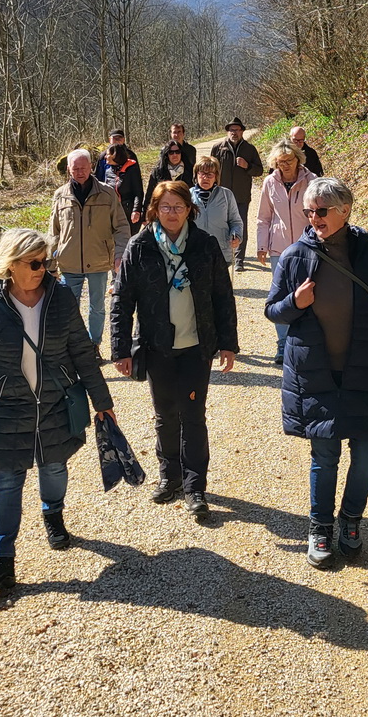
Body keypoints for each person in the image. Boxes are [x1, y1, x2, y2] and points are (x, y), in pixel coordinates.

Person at [0, 228, 117, 591]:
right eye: (35, 263)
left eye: (47, 263)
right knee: (6, 480)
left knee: (54, 466)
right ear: (11, 264)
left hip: (55, 401)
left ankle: (53, 514)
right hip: (7, 407)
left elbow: (81, 350)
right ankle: (2, 560)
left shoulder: (61, 298)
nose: (43, 270)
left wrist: (103, 401)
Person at [264, 177, 368, 570]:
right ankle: (319, 527)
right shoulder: (294, 256)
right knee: (325, 453)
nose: (314, 218)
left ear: (345, 210)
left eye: (322, 211)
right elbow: (273, 310)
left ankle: (350, 520)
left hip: (367, 370)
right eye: (308, 211)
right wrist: (295, 301)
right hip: (316, 372)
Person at [110, 180, 239, 521]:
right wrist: (120, 348)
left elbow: (222, 296)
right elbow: (122, 300)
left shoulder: (205, 244)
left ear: (189, 210)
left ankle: (195, 486)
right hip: (157, 347)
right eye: (165, 207)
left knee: (193, 417)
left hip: (196, 346)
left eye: (178, 207)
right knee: (165, 415)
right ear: (154, 210)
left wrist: (228, 343)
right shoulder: (140, 247)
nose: (172, 214)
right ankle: (170, 477)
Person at [49, 149, 131, 354]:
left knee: (97, 307)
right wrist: (50, 264)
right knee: (69, 308)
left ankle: (94, 345)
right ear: (68, 169)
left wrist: (120, 254)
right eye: (75, 168)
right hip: (69, 262)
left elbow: (121, 226)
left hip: (99, 260)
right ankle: (74, 348)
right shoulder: (60, 195)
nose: (80, 172)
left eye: (83, 167)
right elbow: (53, 232)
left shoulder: (107, 193)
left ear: (91, 167)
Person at [256, 139, 316, 366]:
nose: (285, 165)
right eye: (280, 162)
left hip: (307, 246)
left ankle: (307, 339)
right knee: (280, 297)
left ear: (298, 159)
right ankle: (283, 344)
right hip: (278, 249)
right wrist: (262, 246)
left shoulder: (311, 181)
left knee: (308, 293)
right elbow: (263, 217)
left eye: (289, 160)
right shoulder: (270, 182)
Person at [209, 117, 263, 271]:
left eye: (237, 130)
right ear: (227, 132)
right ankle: (221, 257)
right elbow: (210, 170)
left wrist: (247, 166)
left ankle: (239, 259)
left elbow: (259, 170)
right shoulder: (218, 148)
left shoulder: (249, 149)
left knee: (241, 226)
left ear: (242, 131)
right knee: (219, 226)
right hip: (220, 196)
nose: (234, 133)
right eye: (231, 130)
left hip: (241, 196)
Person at [190, 155, 243, 265]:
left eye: (210, 174)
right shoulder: (187, 196)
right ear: (196, 175)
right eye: (202, 173)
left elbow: (236, 222)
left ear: (216, 177)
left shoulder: (226, 194)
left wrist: (236, 235)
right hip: (194, 252)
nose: (206, 178)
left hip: (221, 252)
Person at [99, 139, 145, 225]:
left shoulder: (131, 169)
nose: (105, 157)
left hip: (129, 212)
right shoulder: (108, 171)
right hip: (112, 211)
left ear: (115, 156)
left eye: (108, 154)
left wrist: (136, 210)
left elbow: (138, 192)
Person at [146, 140, 191, 206]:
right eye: (171, 152)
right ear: (167, 154)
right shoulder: (158, 171)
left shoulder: (190, 170)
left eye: (177, 152)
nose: (175, 155)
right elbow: (150, 195)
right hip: (164, 210)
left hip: (183, 210)